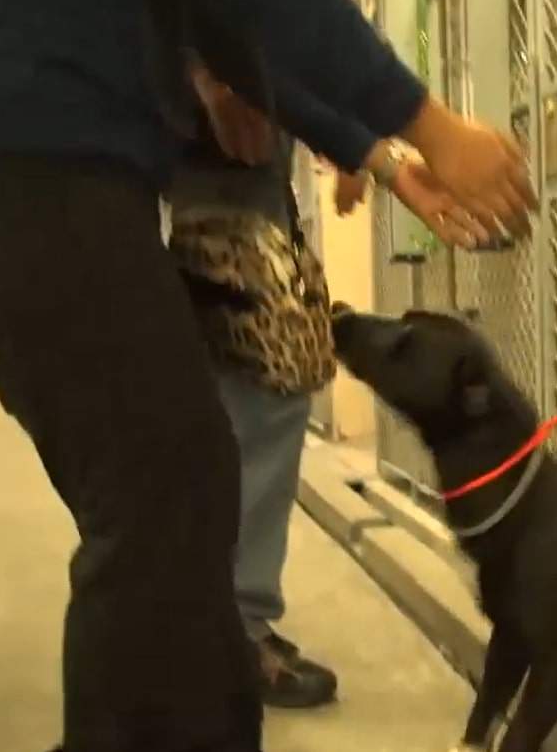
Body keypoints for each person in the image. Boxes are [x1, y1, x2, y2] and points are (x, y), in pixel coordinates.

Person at [0, 0, 534, 750]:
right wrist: (431, 124)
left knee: (178, 497)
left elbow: (223, 29)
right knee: (162, 501)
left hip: (44, 167)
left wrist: (384, 159)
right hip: (28, 167)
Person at [169, 63, 485, 709]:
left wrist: (366, 153)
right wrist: (395, 149)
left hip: (220, 175)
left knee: (240, 405)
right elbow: (292, 42)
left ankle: (214, 629)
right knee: (265, 394)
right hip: (212, 181)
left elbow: (285, 54)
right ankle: (231, 634)